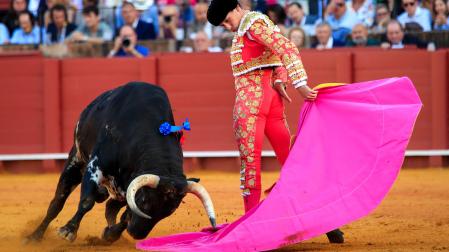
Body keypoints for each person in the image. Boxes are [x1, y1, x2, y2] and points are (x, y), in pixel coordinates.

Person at [207, 0, 344, 243]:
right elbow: (276, 57)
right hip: (272, 103)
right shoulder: (256, 24)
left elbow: (287, 48)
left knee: (251, 167)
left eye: (227, 20)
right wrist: (281, 80)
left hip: (250, 108)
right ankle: (325, 222)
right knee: (293, 163)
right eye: (223, 25)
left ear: (237, 7)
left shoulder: (251, 26)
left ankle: (250, 227)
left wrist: (300, 84)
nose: (227, 26)